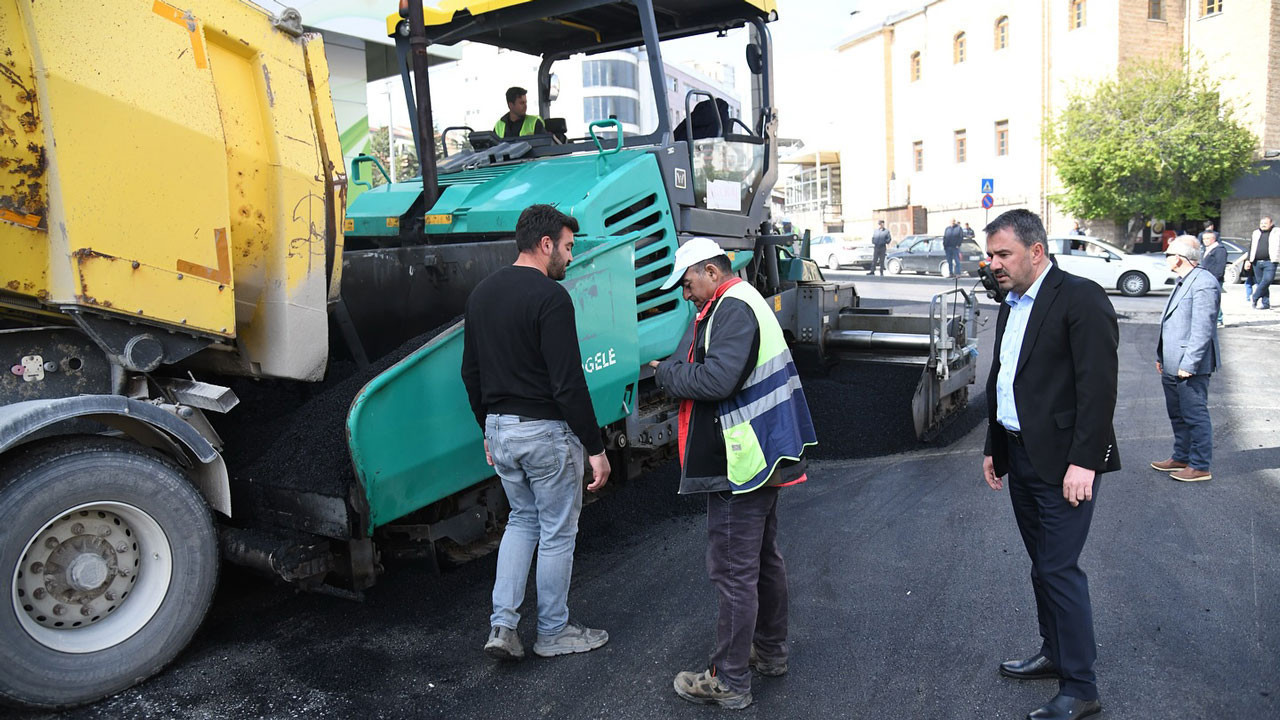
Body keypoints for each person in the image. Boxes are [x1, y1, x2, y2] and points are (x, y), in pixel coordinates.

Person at [649, 237, 816, 710]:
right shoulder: (738, 302)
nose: (685, 293)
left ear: (711, 272)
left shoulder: (733, 308)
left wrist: (666, 374)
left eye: (687, 283)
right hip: (760, 452)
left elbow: (717, 381)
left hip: (742, 461)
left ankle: (730, 680)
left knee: (732, 571)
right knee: (761, 560)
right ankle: (770, 653)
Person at [981, 209, 1119, 720]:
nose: (992, 263)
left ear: (1036, 252)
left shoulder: (1080, 297)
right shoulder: (1011, 303)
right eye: (990, 254)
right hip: (1021, 455)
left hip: (1066, 464)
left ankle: (1081, 687)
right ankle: (1054, 653)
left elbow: (1098, 390)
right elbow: (1004, 379)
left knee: (1059, 569)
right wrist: (994, 446)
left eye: (1003, 254)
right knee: (1042, 567)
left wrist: (1086, 462)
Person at [461, 204, 611, 662]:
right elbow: (568, 383)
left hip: (500, 431)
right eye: (567, 247)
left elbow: (471, 373)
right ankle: (553, 631)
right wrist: (596, 447)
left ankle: (503, 626)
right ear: (545, 244)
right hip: (545, 435)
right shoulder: (551, 298)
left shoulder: (481, 294)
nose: (570, 256)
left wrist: (487, 431)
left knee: (521, 522)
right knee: (557, 533)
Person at [1151, 236, 1220, 482]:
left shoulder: (1204, 283)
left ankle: (1200, 465)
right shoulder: (1185, 280)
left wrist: (1189, 363)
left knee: (1194, 414)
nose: (1166, 258)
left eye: (1168, 254)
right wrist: (1162, 355)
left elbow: (1203, 328)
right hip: (1172, 361)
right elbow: (1173, 324)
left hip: (1188, 365)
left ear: (1179, 258)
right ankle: (1181, 456)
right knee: (1177, 413)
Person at [1245, 216, 1279, 309]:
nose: (1263, 225)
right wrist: (1248, 260)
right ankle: (1265, 303)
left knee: (1267, 280)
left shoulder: (1277, 232)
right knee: (1261, 284)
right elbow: (1251, 247)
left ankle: (1255, 296)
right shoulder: (1256, 233)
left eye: (1265, 223)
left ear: (1271, 224)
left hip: (1270, 261)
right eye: (1261, 223)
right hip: (1256, 262)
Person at [1199, 230, 1227, 326]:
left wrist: (1215, 278)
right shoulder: (1206, 249)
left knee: (1214, 299)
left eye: (1207, 238)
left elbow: (1220, 266)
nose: (1205, 241)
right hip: (1206, 278)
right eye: (1204, 239)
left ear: (1213, 239)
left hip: (1214, 279)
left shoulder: (1219, 249)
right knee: (1208, 299)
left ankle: (1219, 319)